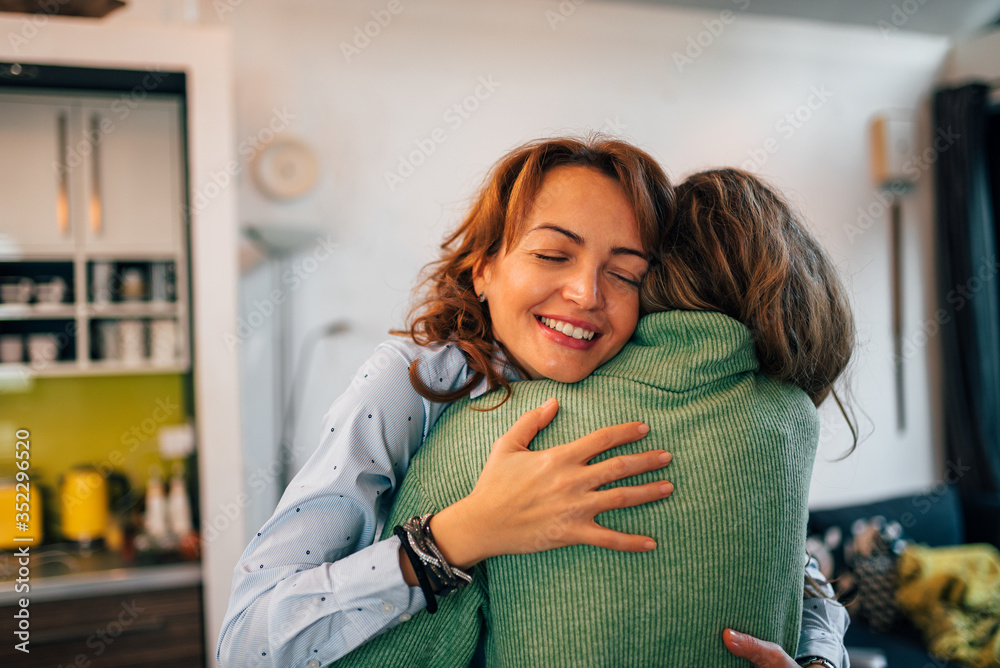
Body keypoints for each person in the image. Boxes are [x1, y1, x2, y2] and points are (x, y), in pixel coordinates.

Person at [216, 139, 847, 667]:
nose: (585, 292)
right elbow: (246, 642)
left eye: (625, 273)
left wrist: (819, 656)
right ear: (484, 266)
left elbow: (798, 563)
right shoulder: (414, 382)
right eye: (552, 254)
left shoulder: (637, 375)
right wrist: (458, 536)